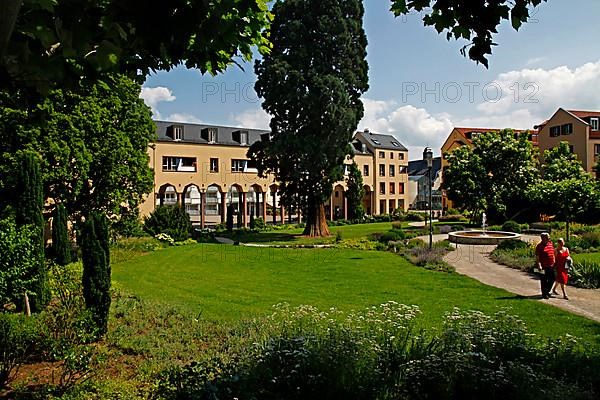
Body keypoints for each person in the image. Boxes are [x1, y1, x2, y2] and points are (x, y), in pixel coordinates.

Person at [535, 232, 556, 299]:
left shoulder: (550, 244)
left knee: (552, 278)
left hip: (551, 265)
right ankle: (545, 294)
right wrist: (539, 265)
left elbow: (552, 253)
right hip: (543, 266)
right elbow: (537, 257)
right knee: (544, 280)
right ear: (543, 238)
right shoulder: (539, 246)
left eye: (549, 237)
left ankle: (547, 291)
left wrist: (554, 261)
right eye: (547, 237)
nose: (549, 238)